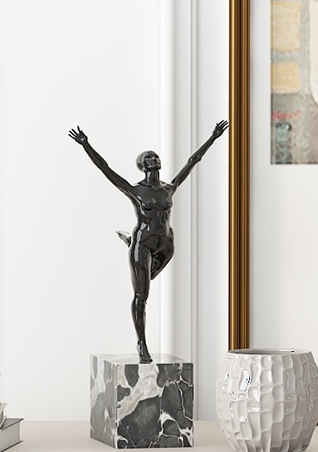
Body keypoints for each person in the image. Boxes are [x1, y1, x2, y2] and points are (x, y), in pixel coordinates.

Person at [69, 120, 227, 361]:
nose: (155, 159)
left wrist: (213, 137)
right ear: (143, 165)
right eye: (149, 157)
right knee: (142, 295)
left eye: (156, 156)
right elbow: (105, 168)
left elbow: (192, 162)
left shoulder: (168, 188)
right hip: (143, 244)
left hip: (166, 245)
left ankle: (130, 245)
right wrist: (86, 144)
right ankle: (142, 344)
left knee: (147, 279)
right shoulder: (135, 191)